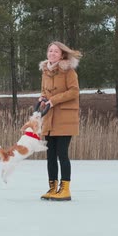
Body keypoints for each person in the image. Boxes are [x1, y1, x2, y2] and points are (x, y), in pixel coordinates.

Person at [38, 41, 82, 201]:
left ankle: (65, 189)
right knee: (50, 155)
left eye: (56, 51)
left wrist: (54, 99)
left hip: (65, 118)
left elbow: (74, 92)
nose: (52, 54)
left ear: (62, 54)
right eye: (50, 51)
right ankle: (52, 188)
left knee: (62, 153)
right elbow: (44, 90)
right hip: (49, 117)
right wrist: (43, 98)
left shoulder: (68, 71)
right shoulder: (45, 71)